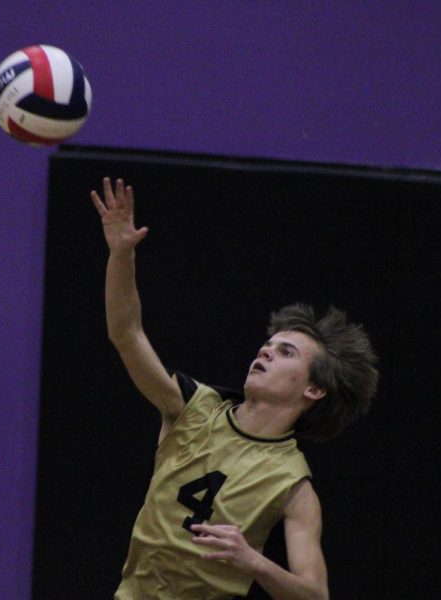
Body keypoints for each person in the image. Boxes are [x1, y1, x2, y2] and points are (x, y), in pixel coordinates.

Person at [90, 177, 379, 600]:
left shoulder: (293, 485)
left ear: (314, 390)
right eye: (269, 344)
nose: (265, 351)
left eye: (286, 353)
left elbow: (316, 596)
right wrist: (121, 254)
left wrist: (254, 561)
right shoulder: (191, 407)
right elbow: (126, 333)